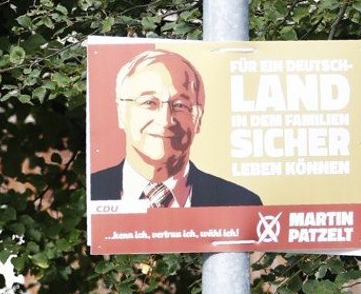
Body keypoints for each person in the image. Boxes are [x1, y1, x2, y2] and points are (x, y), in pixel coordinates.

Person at [90, 47, 260, 208]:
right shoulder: (91, 191)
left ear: (198, 118)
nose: (165, 120)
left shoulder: (241, 202)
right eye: (149, 102)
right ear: (121, 112)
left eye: (180, 105)